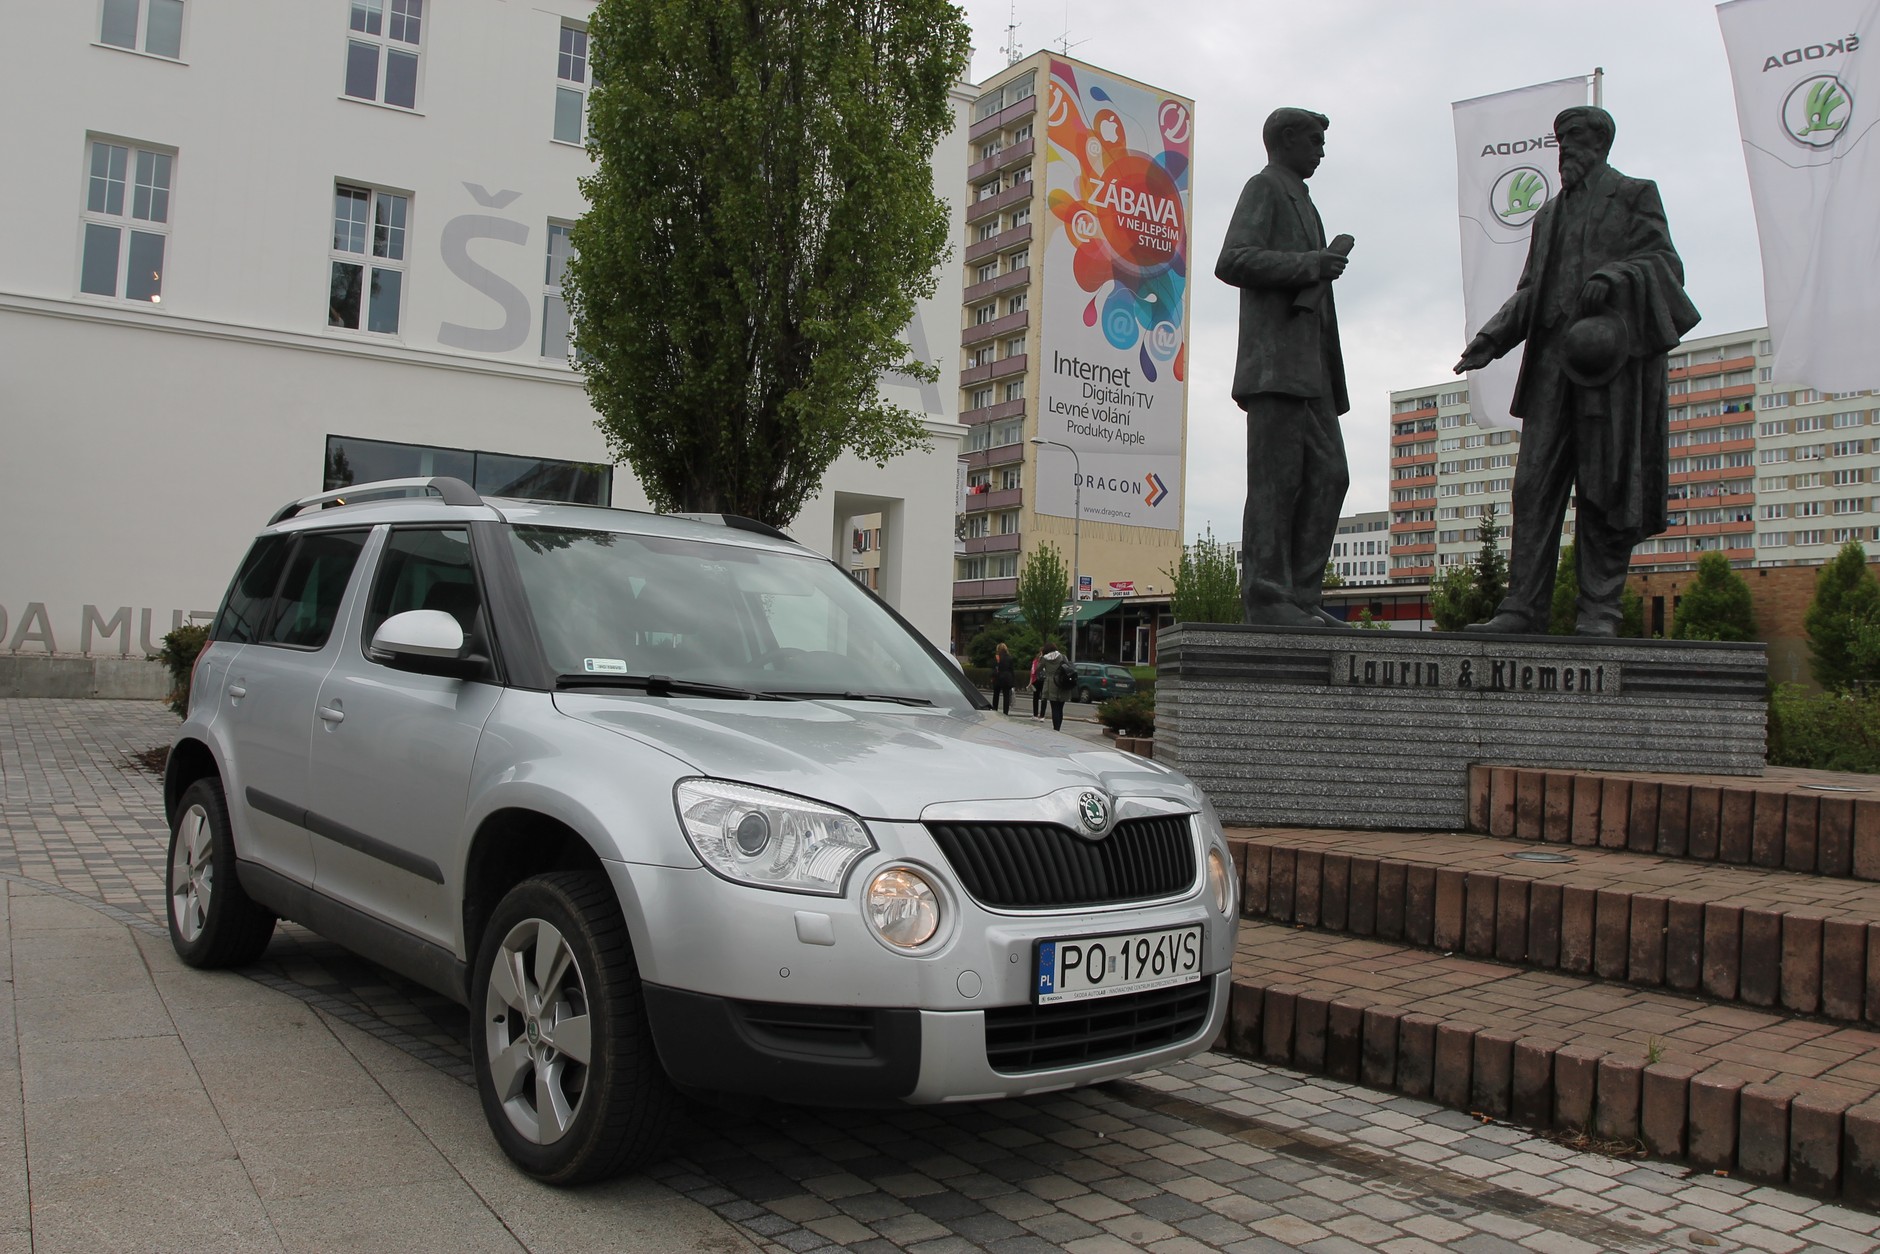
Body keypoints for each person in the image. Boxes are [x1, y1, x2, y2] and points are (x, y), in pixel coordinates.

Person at [1454, 105, 1699, 636]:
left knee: (1604, 487)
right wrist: (1492, 338)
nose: (1565, 149)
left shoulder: (1635, 194)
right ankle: (1522, 607)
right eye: (1561, 139)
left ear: (1600, 143)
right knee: (1533, 485)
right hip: (1549, 373)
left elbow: (1664, 264)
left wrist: (1615, 275)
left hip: (1608, 370)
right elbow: (1531, 292)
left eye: (1575, 138)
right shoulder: (1548, 216)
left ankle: (1599, 611)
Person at [1215, 107, 1353, 630]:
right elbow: (1232, 260)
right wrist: (1310, 264)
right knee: (1276, 482)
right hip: (1274, 367)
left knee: (1330, 475)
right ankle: (1269, 595)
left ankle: (1301, 595)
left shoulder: (1302, 198)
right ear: (1287, 139)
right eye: (1315, 139)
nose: (1322, 150)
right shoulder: (1266, 187)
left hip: (1311, 368)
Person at [1041, 643, 1075, 732]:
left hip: (1051, 684)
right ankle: (1058, 727)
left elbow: (1037, 668)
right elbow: (1068, 667)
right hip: (1062, 683)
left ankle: (1056, 729)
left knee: (1054, 708)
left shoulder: (1045, 659)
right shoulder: (1062, 657)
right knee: (1060, 708)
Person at [990, 641, 1016, 715]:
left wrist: (992, 676)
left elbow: (993, 667)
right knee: (1006, 696)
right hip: (1007, 678)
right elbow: (1012, 670)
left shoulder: (997, 657)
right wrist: (1013, 682)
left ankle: (995, 709)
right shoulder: (1010, 658)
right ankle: (1005, 712)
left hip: (998, 677)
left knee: (996, 695)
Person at [1029, 650, 1046, 719]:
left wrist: (1030, 682)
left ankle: (1035, 714)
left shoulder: (1035, 661)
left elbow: (1033, 672)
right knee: (1044, 698)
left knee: (1035, 697)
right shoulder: (1048, 661)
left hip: (1036, 680)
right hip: (1045, 681)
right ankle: (1042, 716)